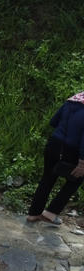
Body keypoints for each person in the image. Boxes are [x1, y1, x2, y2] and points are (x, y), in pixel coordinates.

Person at [27, 91, 84, 225]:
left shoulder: (72, 100)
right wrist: (82, 162)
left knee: (47, 177)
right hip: (72, 149)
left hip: (54, 143)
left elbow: (54, 121)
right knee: (76, 179)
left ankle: (33, 214)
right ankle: (51, 213)